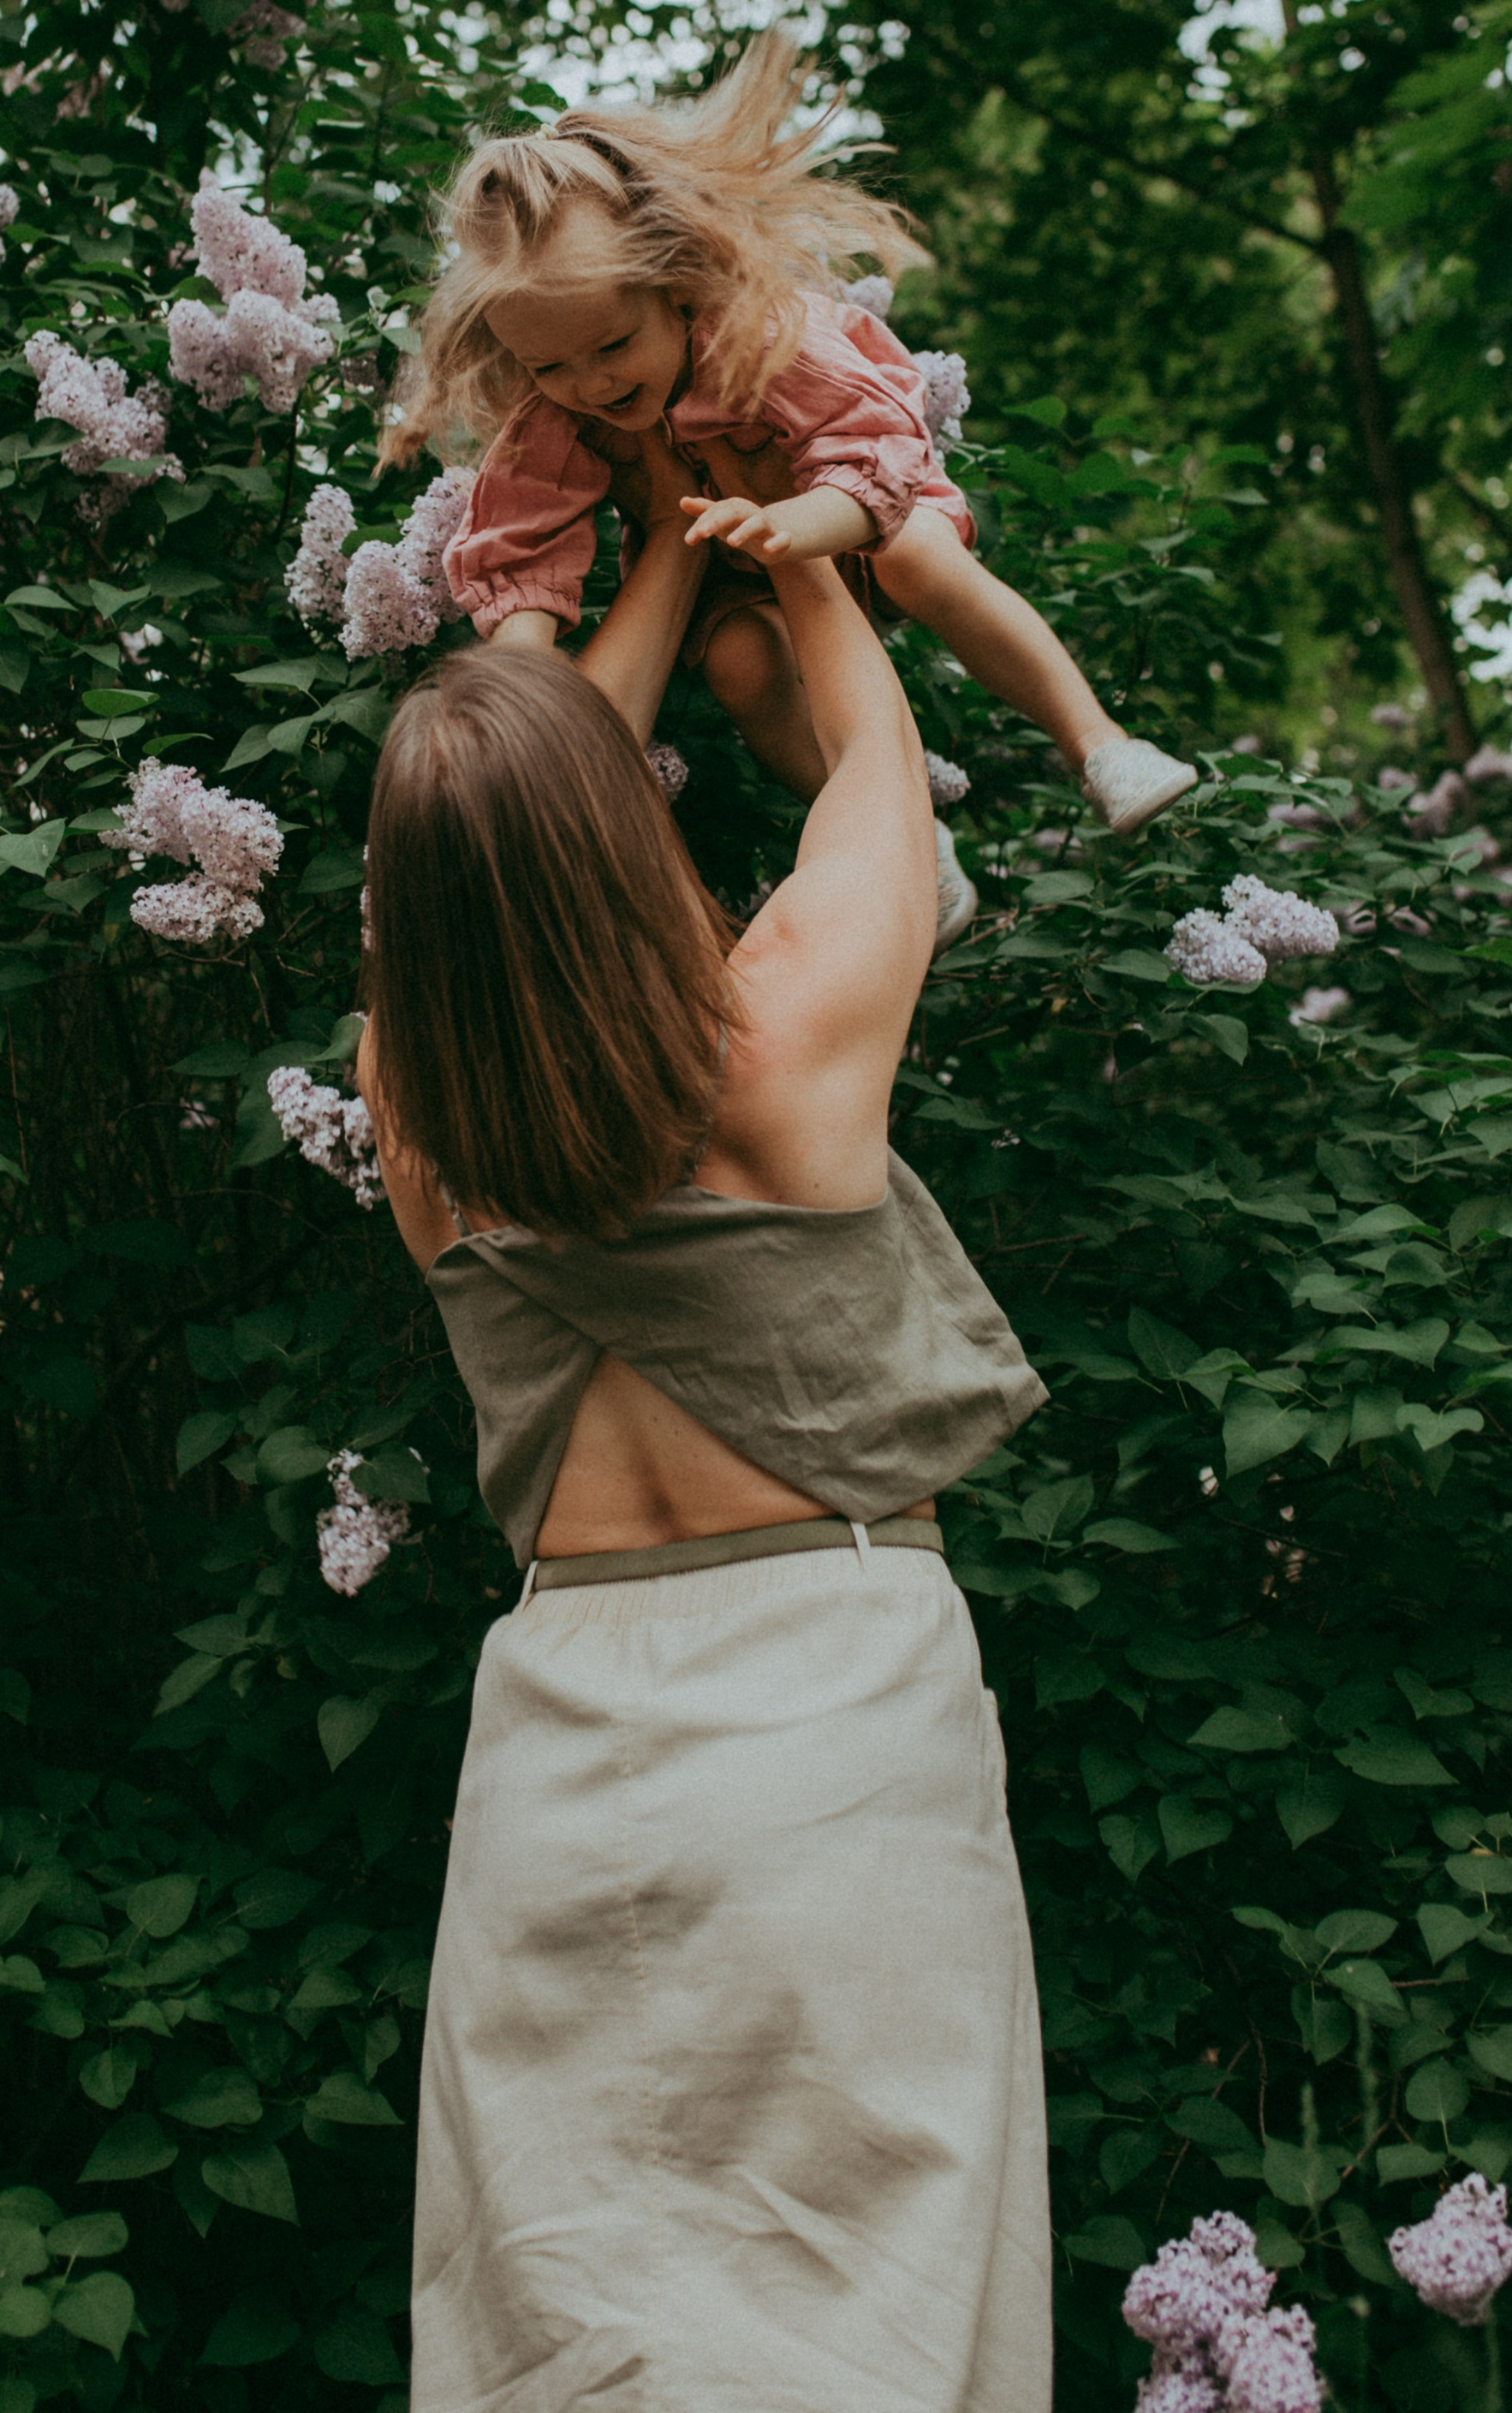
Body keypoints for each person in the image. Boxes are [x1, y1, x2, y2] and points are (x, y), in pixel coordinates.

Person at [357, 428, 1055, 2413]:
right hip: (833, 1694)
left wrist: (627, 584)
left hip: (559, 1733)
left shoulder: (414, 1108)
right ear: (616, 819)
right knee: (874, 2297)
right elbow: (865, 765)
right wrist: (788, 532)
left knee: (566, 2312)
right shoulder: (784, 1043)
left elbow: (502, 839)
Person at [379, 27, 1195, 960]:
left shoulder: (762, 337)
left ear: (677, 290)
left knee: (918, 558)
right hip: (739, 570)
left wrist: (792, 522)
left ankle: (1096, 742)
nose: (591, 384)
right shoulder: (555, 413)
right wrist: (521, 670)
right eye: (550, 364)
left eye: (611, 346)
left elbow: (879, 447)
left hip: (856, 517)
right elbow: (521, 539)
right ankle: (910, 833)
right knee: (738, 667)